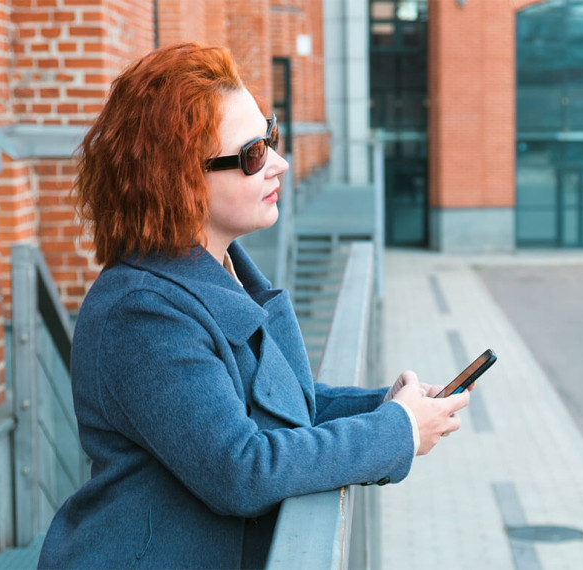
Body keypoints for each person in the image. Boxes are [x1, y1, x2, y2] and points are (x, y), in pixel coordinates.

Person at [38, 42, 470, 569]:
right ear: (181, 182)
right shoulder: (141, 311)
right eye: (253, 155)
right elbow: (241, 470)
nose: (280, 163)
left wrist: (386, 406)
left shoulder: (223, 268)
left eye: (271, 138)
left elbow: (275, 406)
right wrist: (396, 432)